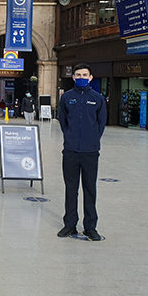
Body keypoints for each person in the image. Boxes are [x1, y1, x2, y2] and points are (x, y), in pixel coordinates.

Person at [57, 63, 107, 241]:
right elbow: (63, 120)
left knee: (90, 189)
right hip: (70, 151)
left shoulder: (97, 98)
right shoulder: (67, 97)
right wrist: (70, 136)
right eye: (78, 75)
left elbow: (101, 123)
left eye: (85, 75)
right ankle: (70, 224)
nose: (81, 78)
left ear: (91, 77)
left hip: (90, 152)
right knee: (71, 188)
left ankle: (90, 227)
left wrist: (93, 140)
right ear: (73, 77)